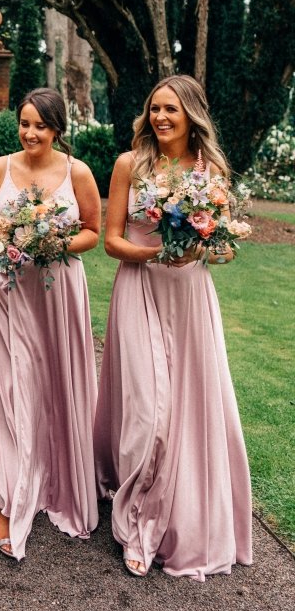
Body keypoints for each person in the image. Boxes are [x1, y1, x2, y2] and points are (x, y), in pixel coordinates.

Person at [93, 75, 253, 580]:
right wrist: (156, 253)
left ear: (192, 117)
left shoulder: (211, 174)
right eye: (155, 108)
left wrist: (202, 245)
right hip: (139, 288)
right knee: (147, 407)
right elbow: (111, 240)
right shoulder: (129, 164)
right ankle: (138, 520)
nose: (161, 118)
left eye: (172, 111)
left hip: (188, 298)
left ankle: (169, 507)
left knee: (181, 402)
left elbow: (226, 247)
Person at [0, 87, 101, 561]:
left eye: (40, 125)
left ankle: (54, 473)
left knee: (51, 383)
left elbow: (92, 233)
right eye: (25, 123)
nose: (31, 132)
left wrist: (49, 241)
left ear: (57, 128)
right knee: (9, 386)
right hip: (5, 291)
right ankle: (7, 494)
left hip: (56, 293)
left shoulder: (78, 173)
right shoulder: (0, 168)